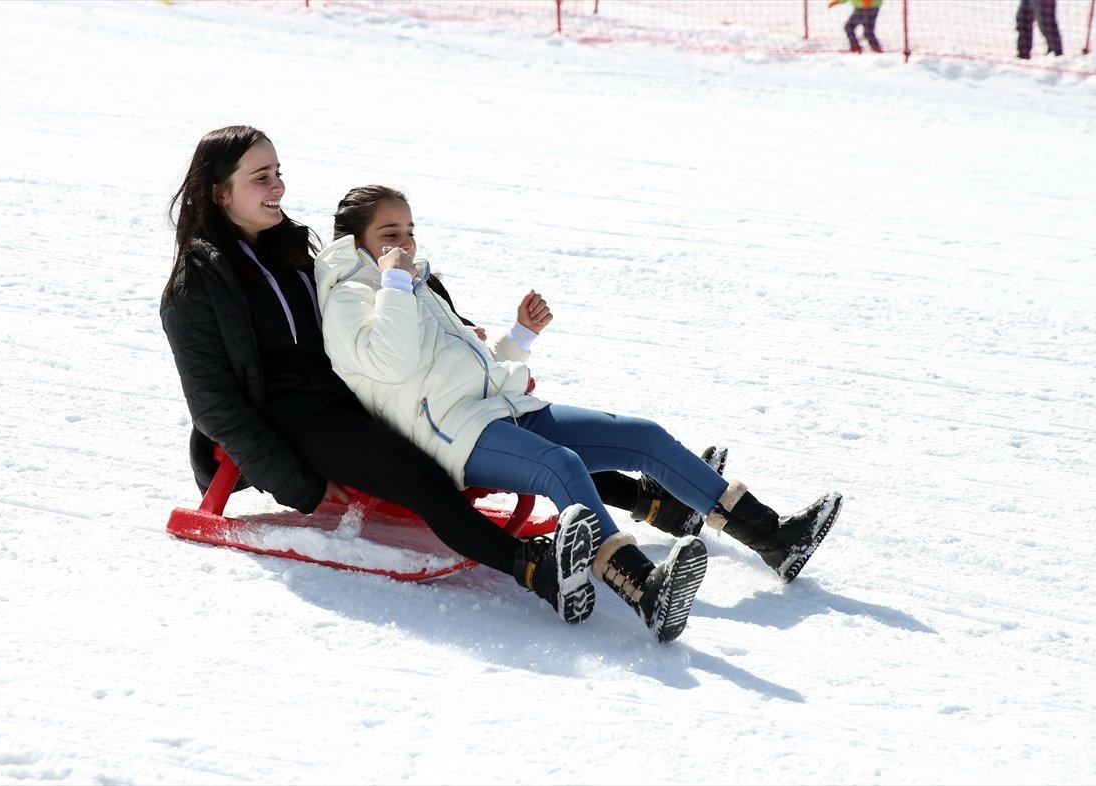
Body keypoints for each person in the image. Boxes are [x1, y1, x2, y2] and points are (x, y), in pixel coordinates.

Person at [314, 186, 844, 643]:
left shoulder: (410, 285)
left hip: (502, 407)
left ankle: (773, 537)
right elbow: (395, 359)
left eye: (409, 229)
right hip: (458, 434)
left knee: (644, 437)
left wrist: (518, 337)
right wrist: (397, 283)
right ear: (355, 240)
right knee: (562, 466)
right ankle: (642, 589)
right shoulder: (350, 298)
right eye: (389, 233)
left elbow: (461, 365)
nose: (404, 243)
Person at [160, 126, 602, 627]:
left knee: (473, 435)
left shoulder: (294, 249)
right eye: (262, 177)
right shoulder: (195, 288)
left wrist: (452, 331)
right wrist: (301, 487)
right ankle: (537, 571)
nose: (278, 186)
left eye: (278, 173)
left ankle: (638, 496)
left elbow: (368, 295)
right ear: (221, 193)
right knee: (425, 477)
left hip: (355, 392)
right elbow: (217, 406)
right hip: (295, 419)